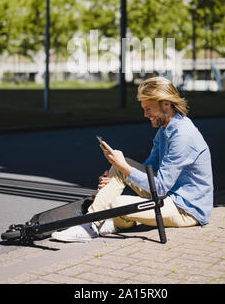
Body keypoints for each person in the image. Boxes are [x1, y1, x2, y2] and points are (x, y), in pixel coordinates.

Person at [51, 76, 214, 242]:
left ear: (166, 103)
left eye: (148, 108)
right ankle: (95, 223)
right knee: (123, 165)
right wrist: (118, 175)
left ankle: (96, 224)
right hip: (169, 195)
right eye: (143, 108)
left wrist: (124, 168)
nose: (145, 114)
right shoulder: (165, 131)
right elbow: (148, 170)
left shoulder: (183, 135)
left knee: (117, 203)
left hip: (186, 209)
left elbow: (159, 187)